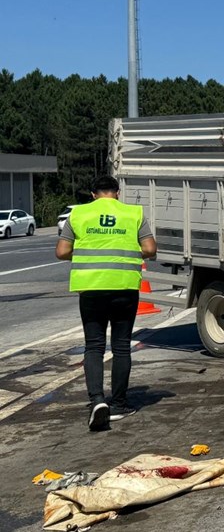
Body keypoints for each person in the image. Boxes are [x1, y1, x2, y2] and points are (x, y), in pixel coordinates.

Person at [55, 175, 156, 431]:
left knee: (94, 346)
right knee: (121, 346)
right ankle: (120, 404)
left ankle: (97, 401)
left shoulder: (78, 215)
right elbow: (150, 248)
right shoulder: (133, 213)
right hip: (124, 287)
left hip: (91, 288)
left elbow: (62, 251)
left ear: (93, 194)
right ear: (117, 193)